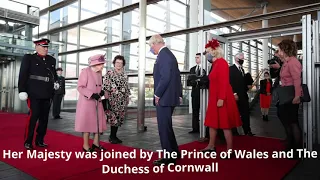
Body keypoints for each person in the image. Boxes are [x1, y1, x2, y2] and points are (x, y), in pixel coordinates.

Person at [200, 38, 242, 153]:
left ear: (213, 51)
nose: (206, 54)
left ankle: (230, 150)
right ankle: (211, 146)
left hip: (221, 97)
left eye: (207, 52)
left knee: (225, 124)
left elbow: (224, 82)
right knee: (212, 123)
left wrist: (221, 98)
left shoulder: (222, 62)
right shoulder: (215, 64)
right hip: (214, 97)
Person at [18, 38, 59, 150]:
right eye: (43, 47)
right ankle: (28, 141)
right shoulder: (29, 58)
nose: (46, 49)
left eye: (47, 47)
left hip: (47, 92)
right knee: (33, 116)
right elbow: (23, 74)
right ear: (36, 47)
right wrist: (21, 90)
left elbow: (53, 73)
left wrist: (56, 82)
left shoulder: (51, 60)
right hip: (33, 92)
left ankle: (40, 140)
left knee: (44, 118)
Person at [149, 34, 182, 165]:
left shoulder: (164, 56)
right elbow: (177, 77)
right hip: (169, 96)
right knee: (167, 126)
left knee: (163, 127)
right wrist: (178, 94)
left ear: (156, 43)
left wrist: (157, 95)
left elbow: (165, 78)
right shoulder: (169, 55)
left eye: (151, 46)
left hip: (165, 97)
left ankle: (168, 157)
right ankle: (174, 151)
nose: (151, 49)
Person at [75, 54, 107, 152]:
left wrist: (102, 92)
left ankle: (96, 143)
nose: (102, 66)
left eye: (102, 64)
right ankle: (85, 145)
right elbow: (80, 87)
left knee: (98, 123)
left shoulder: (99, 73)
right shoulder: (85, 72)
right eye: (101, 64)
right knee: (87, 124)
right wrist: (92, 94)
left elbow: (100, 86)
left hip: (97, 102)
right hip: (87, 103)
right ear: (95, 64)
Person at [276, 39, 302, 156]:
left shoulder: (293, 62)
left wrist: (297, 96)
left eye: (280, 49)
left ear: (285, 50)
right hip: (285, 95)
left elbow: (297, 80)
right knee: (287, 121)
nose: (279, 52)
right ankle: (290, 145)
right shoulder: (287, 62)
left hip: (291, 95)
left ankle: (296, 150)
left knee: (292, 122)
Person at [102, 55, 131, 144]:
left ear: (123, 64)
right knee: (113, 118)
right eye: (117, 62)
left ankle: (114, 136)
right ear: (114, 63)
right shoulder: (109, 73)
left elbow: (126, 87)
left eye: (121, 63)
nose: (119, 64)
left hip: (122, 100)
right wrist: (107, 99)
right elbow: (105, 87)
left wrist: (127, 98)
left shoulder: (124, 75)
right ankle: (112, 136)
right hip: (112, 100)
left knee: (119, 119)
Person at [229, 52, 254, 136]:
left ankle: (247, 130)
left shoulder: (242, 70)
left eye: (243, 59)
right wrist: (234, 93)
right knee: (233, 114)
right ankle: (234, 131)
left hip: (243, 95)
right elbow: (230, 83)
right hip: (235, 96)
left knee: (245, 113)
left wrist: (247, 87)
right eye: (242, 59)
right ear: (236, 59)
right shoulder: (231, 69)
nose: (243, 60)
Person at [188, 53, 206, 134]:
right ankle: (195, 128)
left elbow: (205, 81)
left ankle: (205, 129)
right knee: (195, 111)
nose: (196, 59)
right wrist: (195, 82)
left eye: (198, 58)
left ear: (202, 58)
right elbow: (189, 81)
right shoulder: (192, 69)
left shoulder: (205, 69)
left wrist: (198, 80)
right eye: (195, 58)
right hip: (195, 93)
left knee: (204, 111)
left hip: (203, 93)